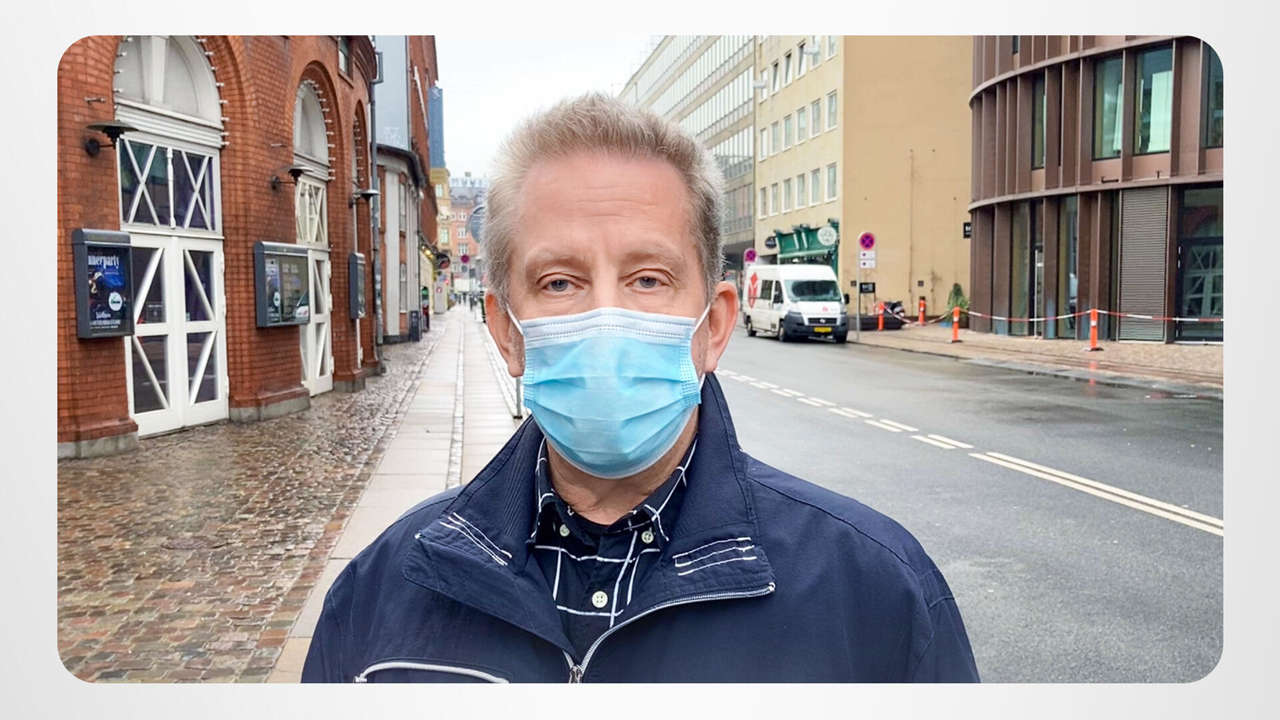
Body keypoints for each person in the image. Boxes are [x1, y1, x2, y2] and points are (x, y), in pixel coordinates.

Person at [302, 93, 979, 683]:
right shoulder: (380, 593)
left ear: (714, 326)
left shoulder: (875, 595)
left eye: (648, 279)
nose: (607, 317)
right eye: (559, 282)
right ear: (506, 332)